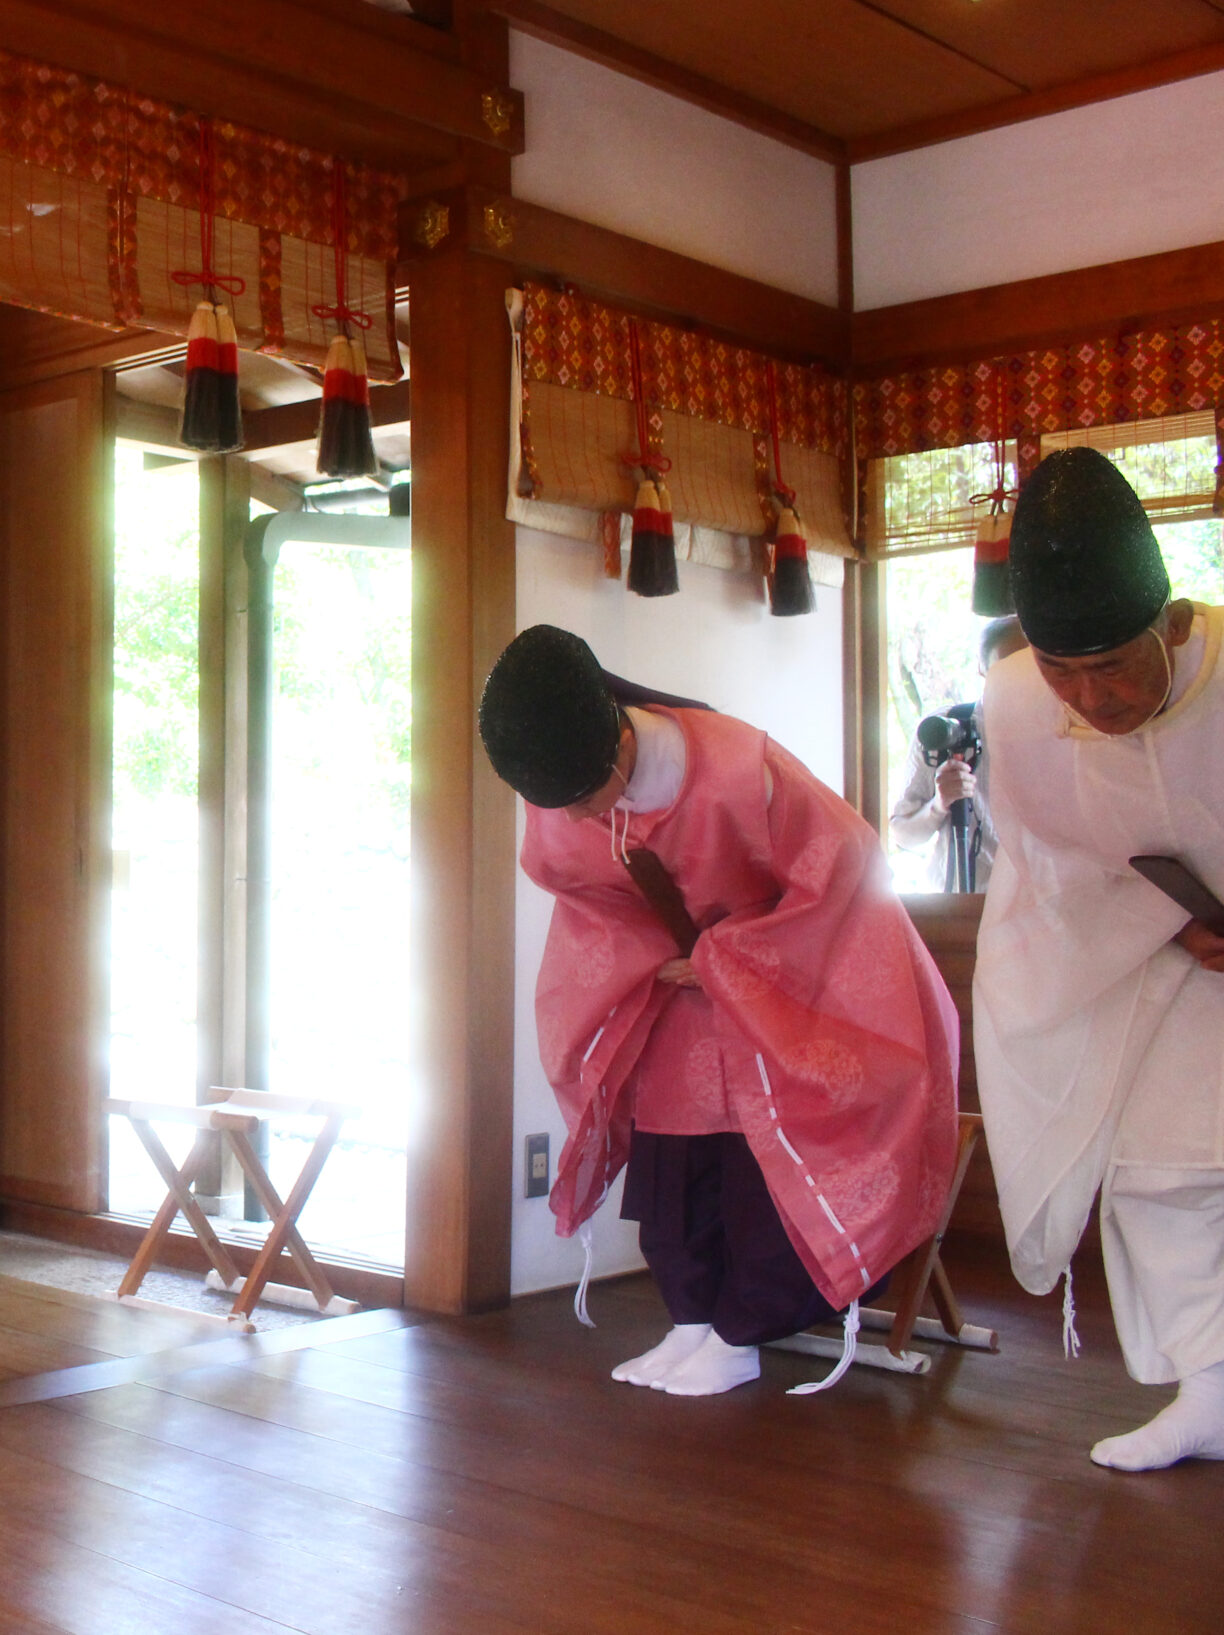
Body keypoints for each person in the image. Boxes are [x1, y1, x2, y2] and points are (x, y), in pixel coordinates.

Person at [482, 626, 961, 1396]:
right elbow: (584, 899)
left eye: (580, 797)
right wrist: (653, 959)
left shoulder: (742, 768)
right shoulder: (561, 796)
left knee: (758, 1170)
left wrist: (731, 959)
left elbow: (843, 871)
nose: (571, 817)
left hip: (779, 995)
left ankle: (741, 1333)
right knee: (674, 1167)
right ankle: (692, 1320)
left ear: (616, 745)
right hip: (676, 993)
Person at [973, 446, 1224, 1472]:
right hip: (1168, 960)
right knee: (1160, 1173)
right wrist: (1170, 926)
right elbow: (1047, 866)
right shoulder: (1018, 702)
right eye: (1059, 666)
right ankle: (1209, 1392)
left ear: (1171, 626)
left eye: (1113, 663)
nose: (1088, 695)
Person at [889, 616, 1027, 891]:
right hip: (958, 904)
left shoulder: (1065, 730)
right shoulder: (944, 730)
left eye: (1028, 667)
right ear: (982, 668)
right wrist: (940, 804)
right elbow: (903, 835)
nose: (1018, 678)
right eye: (1006, 668)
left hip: (1038, 911)